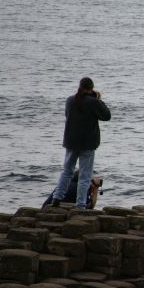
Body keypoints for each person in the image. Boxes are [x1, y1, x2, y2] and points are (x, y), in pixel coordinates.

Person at [49, 77, 111, 209]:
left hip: (71, 141)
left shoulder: (70, 100)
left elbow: (68, 115)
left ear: (80, 86)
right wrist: (98, 100)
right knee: (85, 175)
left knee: (67, 171)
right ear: (91, 89)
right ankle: (80, 205)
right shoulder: (93, 102)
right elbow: (107, 116)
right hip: (87, 143)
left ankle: (56, 198)